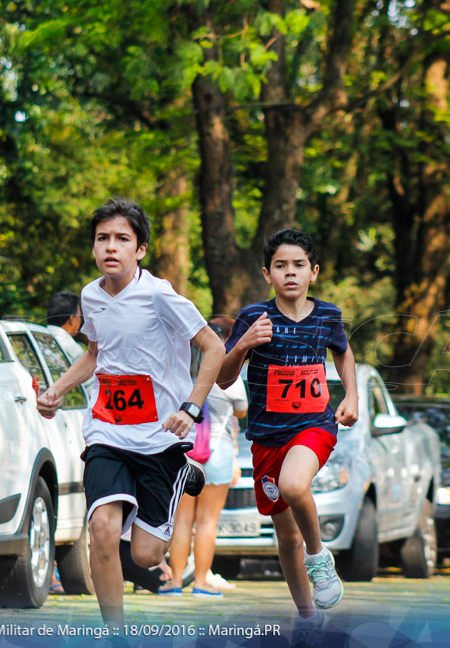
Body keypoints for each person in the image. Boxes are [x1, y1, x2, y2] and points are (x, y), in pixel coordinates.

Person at [37, 197, 224, 631]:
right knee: (102, 527)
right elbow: (95, 354)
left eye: (122, 239)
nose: (111, 247)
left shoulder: (159, 295)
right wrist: (58, 390)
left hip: (160, 437)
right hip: (108, 430)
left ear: (140, 250)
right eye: (103, 238)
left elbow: (213, 348)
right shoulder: (89, 295)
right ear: (93, 247)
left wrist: (190, 408)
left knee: (146, 556)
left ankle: (183, 475)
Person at [217, 228, 358, 640]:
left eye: (298, 265)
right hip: (267, 436)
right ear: (267, 273)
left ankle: (320, 558)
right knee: (285, 535)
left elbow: (343, 352)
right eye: (281, 266)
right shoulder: (252, 317)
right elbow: (224, 379)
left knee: (294, 484)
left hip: (314, 425)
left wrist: (351, 396)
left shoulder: (328, 315)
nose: (290, 273)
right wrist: (243, 344)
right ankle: (307, 615)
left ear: (313, 272)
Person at [163, 317, 248, 597]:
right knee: (208, 522)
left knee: (182, 520)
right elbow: (242, 411)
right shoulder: (228, 378)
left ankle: (175, 582)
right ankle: (200, 583)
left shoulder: (181, 374)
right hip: (219, 452)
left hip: (185, 453)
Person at [46, 290, 86, 363]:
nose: (80, 321)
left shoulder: (37, 338)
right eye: (79, 317)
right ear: (72, 319)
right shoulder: (74, 350)